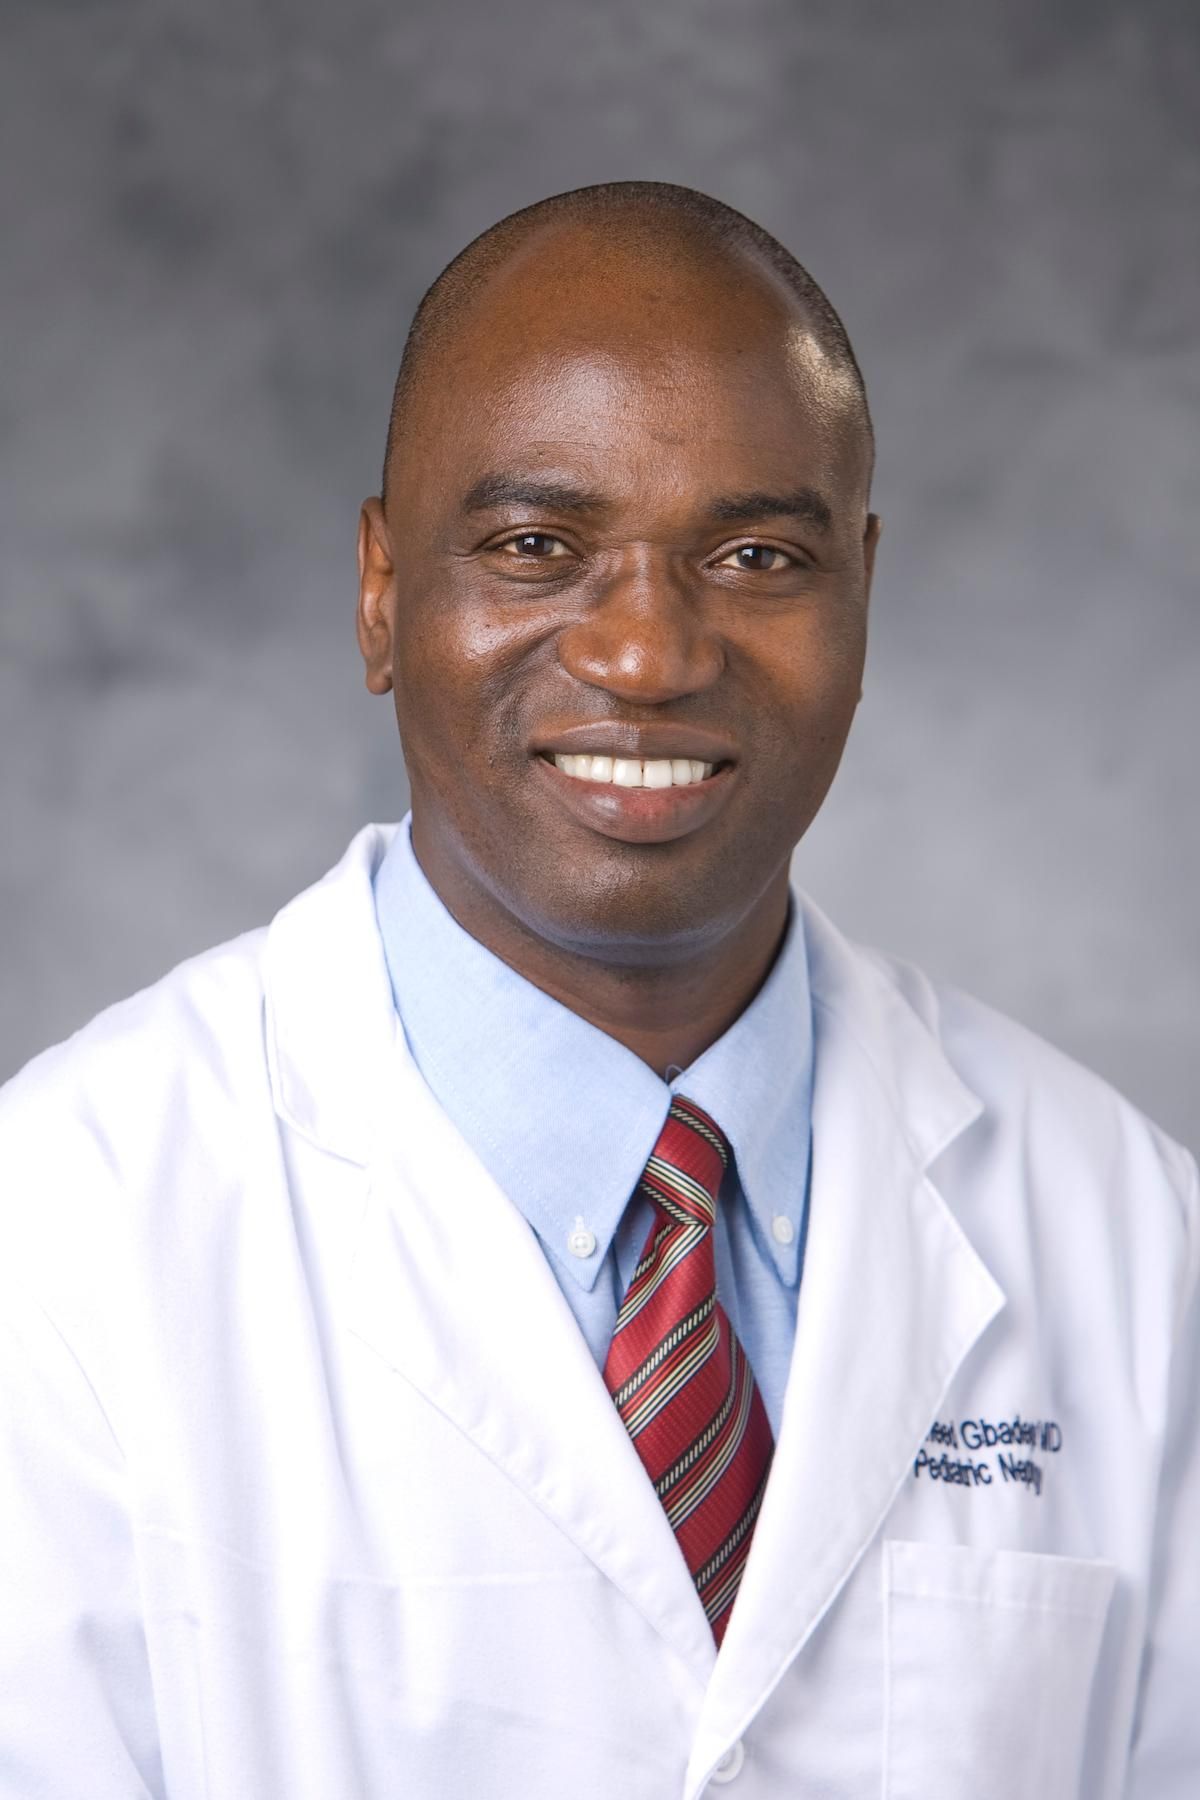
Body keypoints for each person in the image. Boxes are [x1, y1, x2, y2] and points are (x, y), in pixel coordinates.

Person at [0, 181, 1195, 1800]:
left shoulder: (1133, 1240)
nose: (648, 654)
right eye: (536, 547)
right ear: (380, 591)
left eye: (757, 555)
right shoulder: (56, 1242)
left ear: (860, 592)